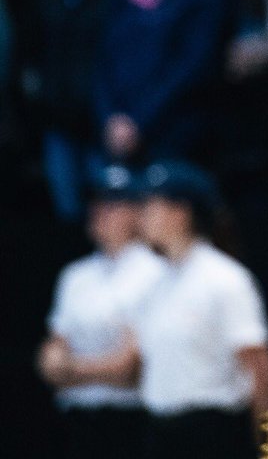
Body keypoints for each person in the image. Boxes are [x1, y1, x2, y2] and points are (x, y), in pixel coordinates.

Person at [132, 161, 268, 459]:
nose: (141, 217)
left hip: (210, 434)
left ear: (181, 212)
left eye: (150, 206)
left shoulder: (224, 278)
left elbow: (259, 369)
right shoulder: (153, 282)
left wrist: (266, 448)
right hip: (159, 431)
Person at [36, 165, 166, 459]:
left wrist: (69, 369)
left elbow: (132, 368)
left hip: (129, 422)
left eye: (112, 203)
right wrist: (86, 368)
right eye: (96, 202)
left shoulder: (155, 271)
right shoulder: (75, 275)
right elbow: (50, 354)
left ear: (135, 212)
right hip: (76, 422)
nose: (99, 212)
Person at [94, 0, 224, 163]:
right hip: (117, 130)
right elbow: (102, 56)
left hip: (176, 132)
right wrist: (110, 117)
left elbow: (192, 66)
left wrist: (139, 121)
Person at [25, 0, 124, 221]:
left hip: (107, 118)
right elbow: (34, 43)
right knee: (67, 218)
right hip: (58, 118)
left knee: (110, 214)